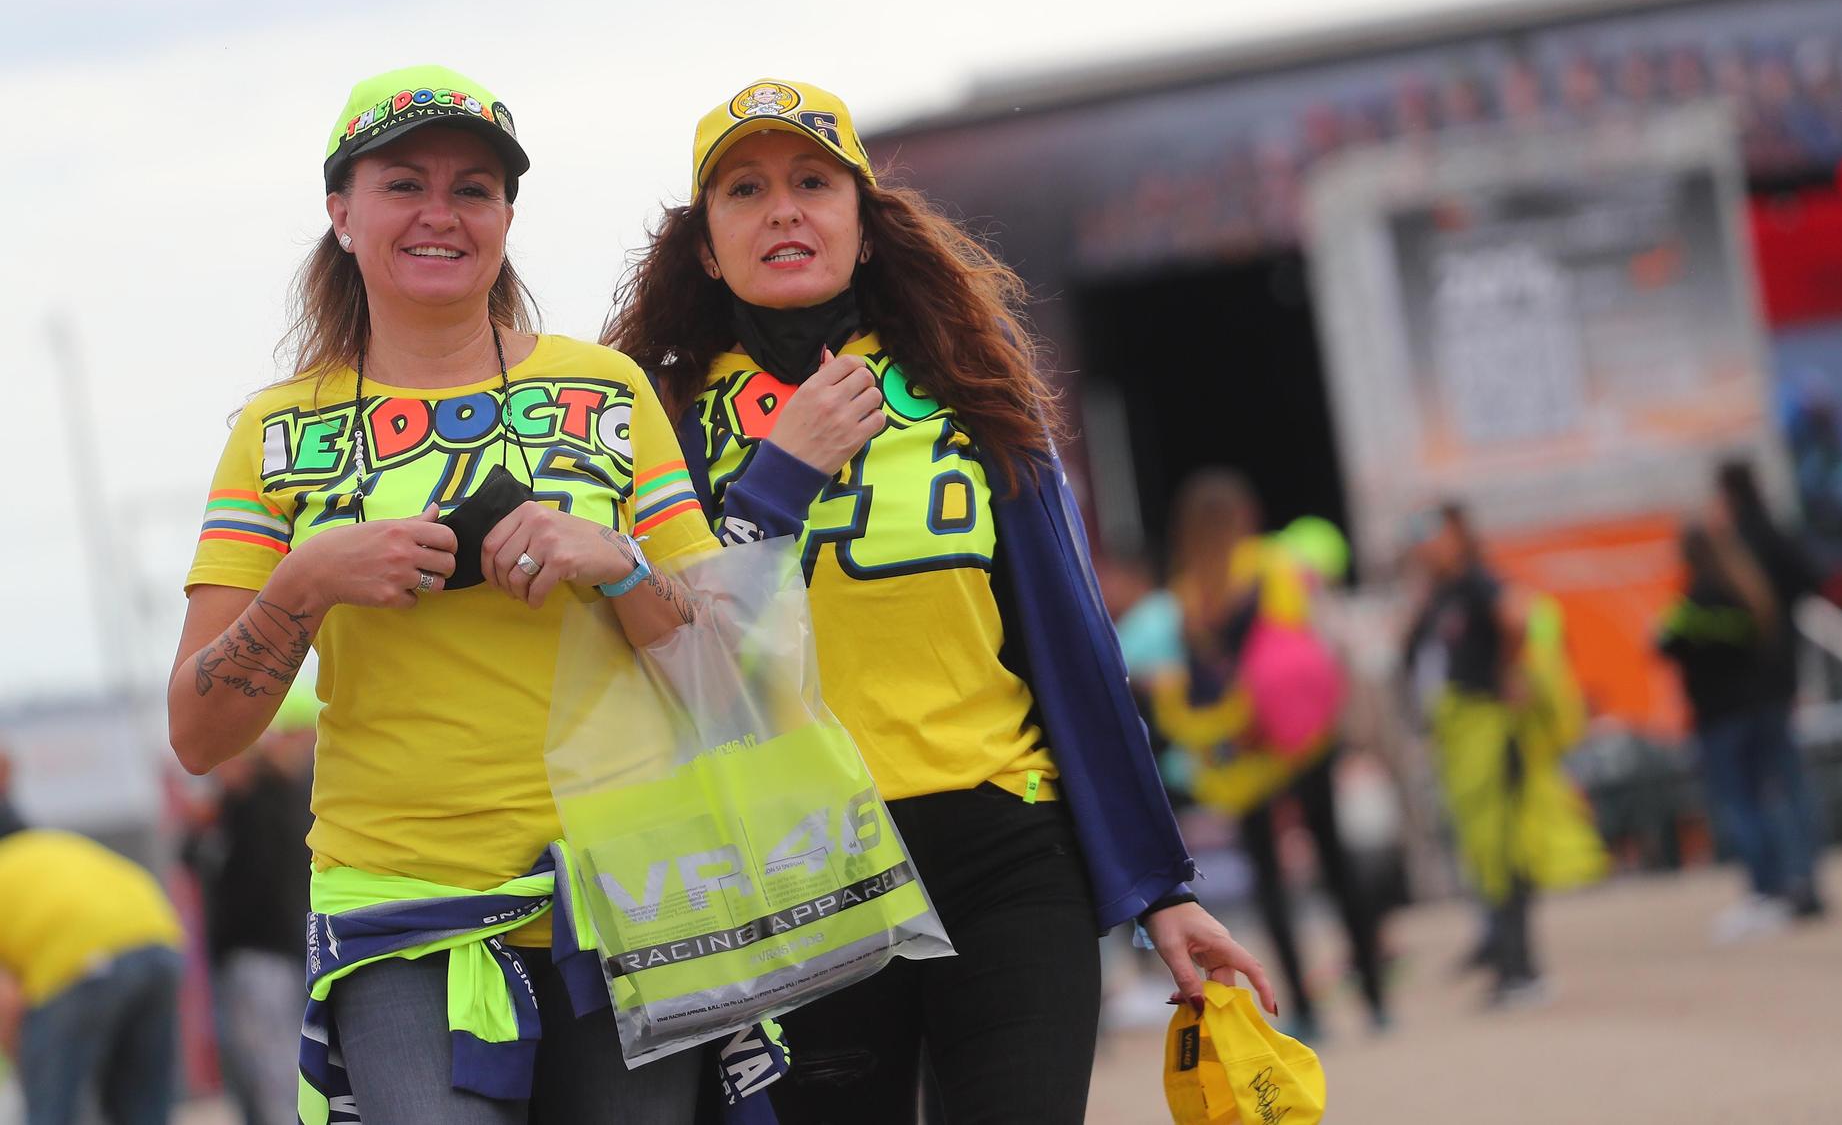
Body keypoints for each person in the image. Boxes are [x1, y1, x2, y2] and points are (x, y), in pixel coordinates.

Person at [603, 78, 1272, 1124]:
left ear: (864, 228)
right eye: (744, 189)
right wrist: (777, 476)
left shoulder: (974, 392)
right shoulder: (658, 428)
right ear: (705, 245)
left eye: (813, 183)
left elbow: (1072, 647)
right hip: (795, 876)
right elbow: (668, 670)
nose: (783, 209)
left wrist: (1159, 887)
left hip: (1006, 854)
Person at [168, 65, 722, 1124]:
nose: (440, 213)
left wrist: (619, 562)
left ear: (507, 214)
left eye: (473, 187)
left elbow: (726, 673)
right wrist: (306, 581)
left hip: (630, 891)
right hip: (399, 907)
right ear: (341, 212)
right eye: (403, 184)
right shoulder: (274, 432)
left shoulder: (607, 390)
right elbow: (199, 733)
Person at [1148, 470, 1389, 1042]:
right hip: (1296, 736)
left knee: (1270, 877)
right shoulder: (1272, 567)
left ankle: (1303, 1008)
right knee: (1333, 861)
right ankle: (1376, 997)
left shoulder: (1188, 592)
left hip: (1243, 748)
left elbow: (1200, 675)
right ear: (1244, 517)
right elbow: (1307, 640)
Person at [1406, 504, 1604, 1007]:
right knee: (1487, 852)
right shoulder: (1444, 593)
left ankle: (1522, 969)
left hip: (1493, 736)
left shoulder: (1478, 583)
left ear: (1457, 535)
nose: (1424, 544)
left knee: (1506, 851)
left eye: (1432, 533)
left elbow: (1518, 618)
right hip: (1467, 740)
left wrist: (1510, 674)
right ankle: (1506, 960)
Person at [0, 748, 185, 1125]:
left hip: (80, 962)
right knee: (144, 1110)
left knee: (52, 1111)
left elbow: (6, 1001)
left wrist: (32, 1061)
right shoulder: (47, 847)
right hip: (159, 941)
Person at [181, 685, 318, 1125]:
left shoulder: (279, 792)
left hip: (272, 948)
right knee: (265, 1067)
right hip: (265, 948)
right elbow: (192, 856)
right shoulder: (240, 801)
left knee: (279, 1068)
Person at [1658, 522, 1798, 942]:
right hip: (1758, 711)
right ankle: (1782, 889)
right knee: (1764, 802)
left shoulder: (1695, 600)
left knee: (1740, 808)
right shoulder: (1748, 591)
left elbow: (1666, 641)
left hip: (1721, 719)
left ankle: (1762, 894)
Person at [1714, 459, 1828, 916]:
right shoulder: (1773, 532)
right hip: (1778, 676)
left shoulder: (1741, 542)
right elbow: (1813, 577)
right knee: (1787, 781)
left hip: (1751, 685)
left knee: (1767, 786)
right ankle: (1805, 878)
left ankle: (1788, 882)